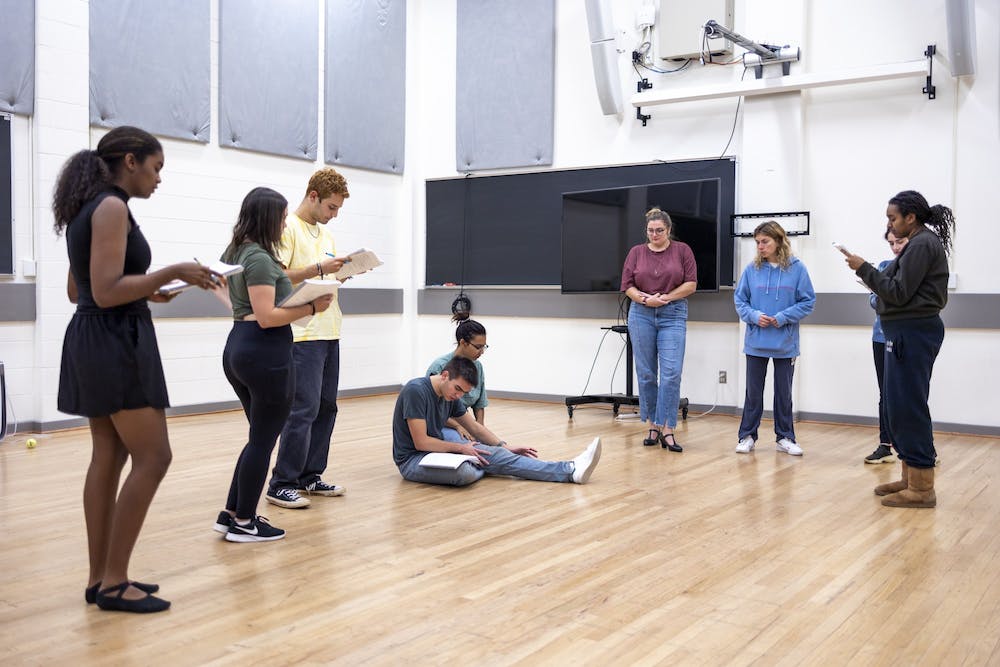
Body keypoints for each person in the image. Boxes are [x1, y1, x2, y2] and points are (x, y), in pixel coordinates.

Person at [53, 126, 222, 613]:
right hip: (115, 343)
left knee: (108, 455)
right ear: (131, 161)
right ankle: (114, 582)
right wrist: (172, 272)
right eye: (156, 167)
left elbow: (80, 290)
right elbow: (106, 292)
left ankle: (99, 579)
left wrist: (148, 290)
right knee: (154, 457)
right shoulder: (111, 207)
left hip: (94, 337)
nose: (158, 178)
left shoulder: (85, 208)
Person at [213, 187, 334, 541]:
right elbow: (267, 317)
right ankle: (245, 522)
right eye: (281, 218)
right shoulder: (260, 259)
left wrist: (243, 312)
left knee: (258, 437)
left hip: (239, 344)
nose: (284, 224)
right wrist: (312, 307)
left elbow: (220, 287)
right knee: (263, 441)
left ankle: (231, 513)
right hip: (265, 353)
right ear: (267, 218)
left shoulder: (236, 250)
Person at [843, 190, 953, 508]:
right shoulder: (916, 244)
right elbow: (894, 286)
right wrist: (869, 272)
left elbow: (898, 292)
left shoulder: (922, 244)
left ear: (910, 217)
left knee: (909, 407)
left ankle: (922, 489)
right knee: (897, 406)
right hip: (905, 332)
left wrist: (863, 267)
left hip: (913, 332)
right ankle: (909, 477)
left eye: (892, 218)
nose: (889, 224)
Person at [265, 168, 353, 509]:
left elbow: (324, 276)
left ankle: (310, 475)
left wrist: (342, 274)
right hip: (303, 333)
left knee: (327, 407)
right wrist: (319, 270)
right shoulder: (287, 229)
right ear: (313, 196)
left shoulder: (326, 235)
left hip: (330, 329)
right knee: (303, 409)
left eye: (338, 209)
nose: (334, 214)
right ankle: (282, 482)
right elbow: (277, 276)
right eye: (331, 207)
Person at [393, 357, 602, 487]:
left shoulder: (451, 395)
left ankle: (569, 469)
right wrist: (462, 448)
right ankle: (495, 465)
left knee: (493, 454)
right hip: (412, 460)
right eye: (457, 389)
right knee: (464, 473)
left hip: (437, 445)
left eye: (463, 392)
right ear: (445, 375)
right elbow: (421, 442)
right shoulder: (416, 391)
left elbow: (474, 427)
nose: (458, 395)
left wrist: (503, 446)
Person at [734, 221, 815, 456]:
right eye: (757, 242)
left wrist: (783, 317)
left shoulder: (798, 269)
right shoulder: (751, 270)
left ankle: (785, 438)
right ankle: (747, 436)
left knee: (784, 393)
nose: (760, 246)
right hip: (756, 342)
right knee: (753, 393)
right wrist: (754, 316)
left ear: (778, 241)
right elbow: (740, 301)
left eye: (765, 241)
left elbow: (808, 301)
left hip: (785, 344)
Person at [620, 208, 697, 452]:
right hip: (641, 314)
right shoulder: (636, 252)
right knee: (646, 374)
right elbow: (627, 286)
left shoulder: (682, 250)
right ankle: (653, 426)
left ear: (669, 230)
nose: (655, 234)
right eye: (651, 230)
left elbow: (691, 284)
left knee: (671, 373)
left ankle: (668, 428)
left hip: (672, 313)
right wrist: (645, 300)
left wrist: (665, 298)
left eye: (659, 230)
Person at [864, 227, 908, 464]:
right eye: (892, 243)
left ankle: (922, 447)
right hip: (881, 337)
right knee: (885, 392)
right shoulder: (883, 266)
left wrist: (887, 297)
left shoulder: (917, 267)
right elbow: (873, 300)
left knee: (910, 393)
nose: (895, 247)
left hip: (906, 338)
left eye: (899, 242)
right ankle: (885, 444)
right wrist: (885, 297)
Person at [426, 313, 488, 442]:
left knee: (491, 445)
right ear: (463, 342)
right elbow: (433, 409)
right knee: (469, 446)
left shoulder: (478, 367)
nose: (482, 352)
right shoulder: (439, 366)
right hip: (443, 424)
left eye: (484, 347)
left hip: (465, 423)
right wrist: (458, 426)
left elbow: (479, 404)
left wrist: (479, 429)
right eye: (478, 347)